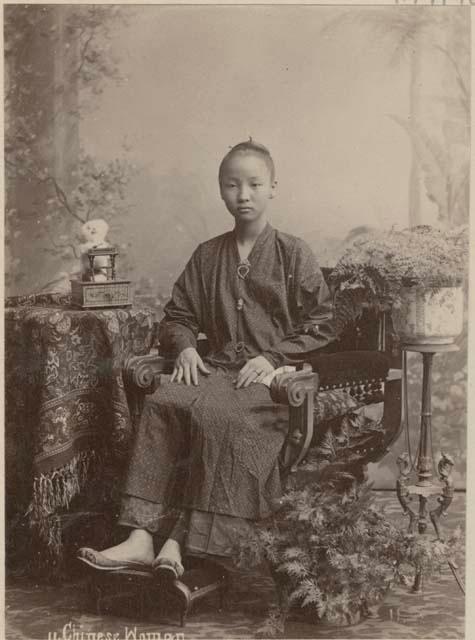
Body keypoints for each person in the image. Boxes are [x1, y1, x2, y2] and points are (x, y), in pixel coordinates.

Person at [78, 140, 335, 578]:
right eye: (232, 185)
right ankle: (141, 537)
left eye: (254, 184)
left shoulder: (294, 254)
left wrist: (273, 357)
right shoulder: (207, 254)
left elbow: (323, 322)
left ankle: (179, 540)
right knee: (163, 403)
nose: (244, 195)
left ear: (273, 187)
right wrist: (188, 347)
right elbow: (177, 316)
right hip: (215, 370)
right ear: (220, 191)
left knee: (217, 416)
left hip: (268, 385)